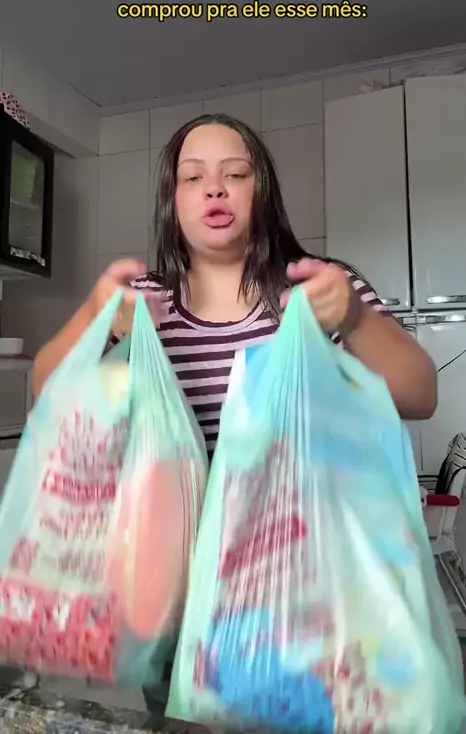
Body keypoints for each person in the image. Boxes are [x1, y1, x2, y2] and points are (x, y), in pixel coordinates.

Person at [33, 112, 437, 728]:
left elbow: (419, 393)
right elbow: (47, 394)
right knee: (188, 719)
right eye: (193, 177)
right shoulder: (145, 305)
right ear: (173, 201)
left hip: (303, 589)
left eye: (235, 173)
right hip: (179, 595)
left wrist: (354, 320)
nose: (215, 188)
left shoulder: (318, 290)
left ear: (261, 189)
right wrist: (93, 316)